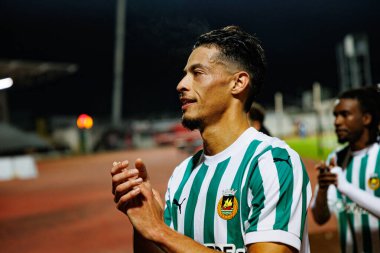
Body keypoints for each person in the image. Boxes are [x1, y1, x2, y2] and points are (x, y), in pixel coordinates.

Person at [111, 26, 312, 253]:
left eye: (197, 73)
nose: (181, 85)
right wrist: (142, 221)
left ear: (238, 83)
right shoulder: (182, 174)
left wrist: (159, 231)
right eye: (185, 74)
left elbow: (165, 236)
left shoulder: (272, 163)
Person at [311, 86, 380, 253]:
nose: (337, 122)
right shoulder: (335, 159)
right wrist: (323, 190)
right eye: (335, 115)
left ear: (366, 118)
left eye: (345, 114)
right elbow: (320, 219)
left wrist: (346, 187)